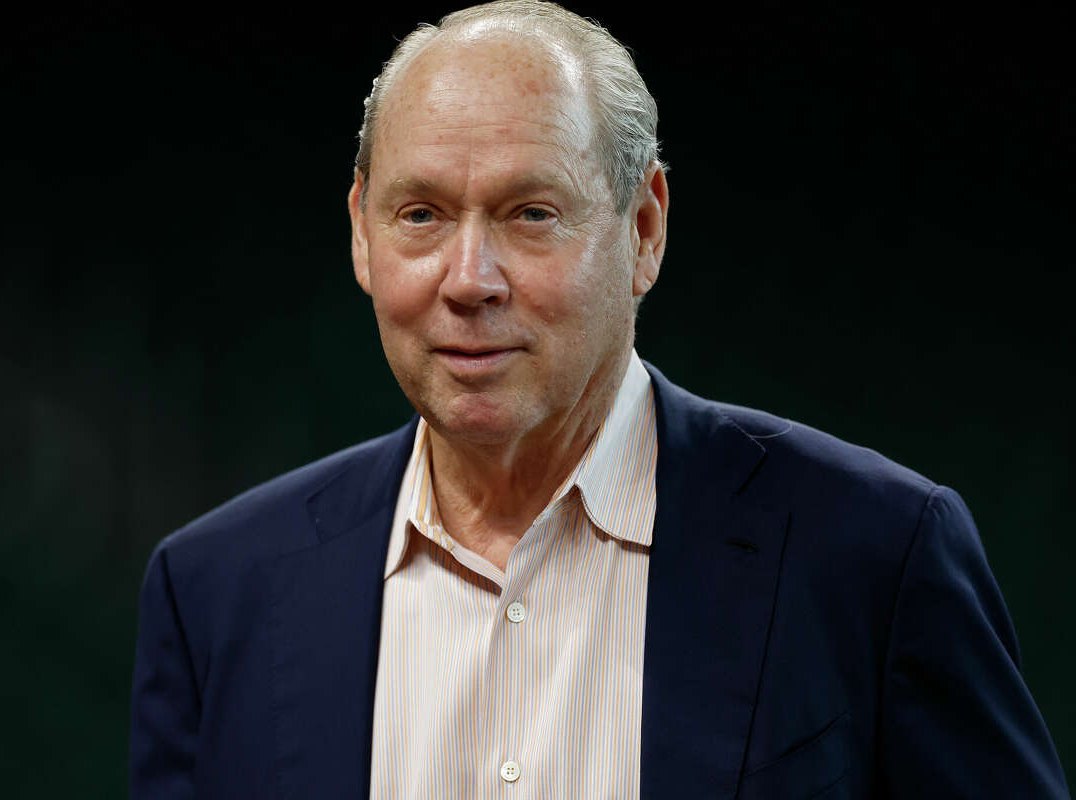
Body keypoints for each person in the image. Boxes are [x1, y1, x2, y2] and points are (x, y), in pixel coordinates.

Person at [129, 1, 1069, 797]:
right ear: (362, 238)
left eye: (530, 213)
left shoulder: (877, 555)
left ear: (646, 230)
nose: (469, 278)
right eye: (420, 215)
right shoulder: (216, 593)